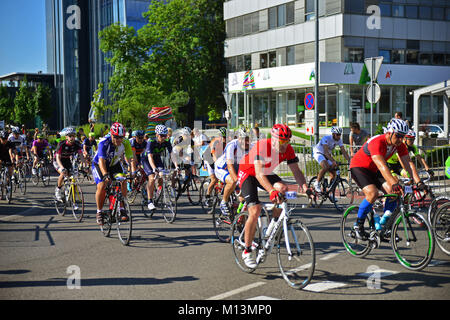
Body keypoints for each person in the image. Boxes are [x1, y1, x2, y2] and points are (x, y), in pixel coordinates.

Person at [237, 124, 309, 268]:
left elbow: (296, 171)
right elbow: (258, 174)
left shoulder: (288, 149)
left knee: (283, 188)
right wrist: (271, 191)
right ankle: (247, 250)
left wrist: (306, 188)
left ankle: (273, 226)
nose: (284, 145)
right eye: (282, 142)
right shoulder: (262, 146)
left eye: (287, 141)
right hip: (249, 173)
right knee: (255, 210)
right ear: (274, 139)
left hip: (266, 172)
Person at [350, 119, 422, 240]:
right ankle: (358, 226)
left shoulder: (399, 145)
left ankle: (385, 225)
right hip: (359, 167)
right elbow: (382, 165)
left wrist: (416, 181)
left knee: (394, 193)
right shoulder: (377, 141)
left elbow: (408, 164)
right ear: (390, 132)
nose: (400, 140)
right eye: (398, 136)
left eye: (403, 137)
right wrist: (394, 182)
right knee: (373, 193)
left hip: (374, 170)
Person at [92, 122, 136, 225]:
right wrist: (106, 175)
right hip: (99, 164)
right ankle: (99, 212)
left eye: (121, 137)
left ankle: (122, 207)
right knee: (102, 185)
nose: (119, 140)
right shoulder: (104, 142)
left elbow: (130, 159)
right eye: (116, 137)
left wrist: (132, 172)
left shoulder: (125, 142)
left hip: (114, 164)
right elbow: (101, 161)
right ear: (111, 135)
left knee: (123, 180)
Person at [214, 127, 250, 216]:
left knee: (243, 200)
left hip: (237, 168)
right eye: (244, 139)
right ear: (239, 139)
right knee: (233, 181)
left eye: (248, 139)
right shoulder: (232, 145)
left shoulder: (251, 146)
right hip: (222, 167)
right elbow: (229, 165)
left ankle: (239, 220)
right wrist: (238, 181)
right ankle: (224, 201)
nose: (246, 142)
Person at [143, 124, 178, 210]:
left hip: (157, 159)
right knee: (151, 178)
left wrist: (176, 166)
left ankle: (157, 194)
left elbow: (172, 154)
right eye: (161, 136)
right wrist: (154, 168)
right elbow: (150, 157)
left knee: (162, 176)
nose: (163, 138)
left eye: (165, 136)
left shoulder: (167, 141)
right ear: (157, 135)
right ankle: (149, 201)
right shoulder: (151, 141)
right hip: (147, 160)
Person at [312, 126, 350, 193]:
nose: (339, 136)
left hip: (327, 155)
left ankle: (329, 191)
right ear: (333, 134)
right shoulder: (326, 138)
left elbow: (343, 151)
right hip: (318, 152)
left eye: (340, 135)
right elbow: (326, 152)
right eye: (337, 135)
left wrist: (350, 160)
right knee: (326, 166)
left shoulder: (339, 140)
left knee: (333, 171)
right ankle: (317, 182)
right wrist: (333, 160)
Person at [53, 128, 87, 201]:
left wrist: (85, 166)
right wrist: (62, 168)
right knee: (63, 173)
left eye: (73, 136)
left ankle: (68, 191)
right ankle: (58, 190)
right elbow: (58, 157)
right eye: (70, 136)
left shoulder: (77, 144)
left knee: (72, 177)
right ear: (66, 137)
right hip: (58, 160)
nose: (72, 138)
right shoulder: (61, 144)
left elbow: (81, 156)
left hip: (67, 160)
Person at [203, 127, 227, 207]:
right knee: (214, 179)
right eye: (223, 137)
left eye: (225, 137)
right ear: (219, 136)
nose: (224, 139)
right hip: (208, 158)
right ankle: (207, 196)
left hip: (217, 158)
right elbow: (213, 155)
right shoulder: (215, 142)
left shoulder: (226, 143)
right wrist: (217, 165)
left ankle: (217, 194)